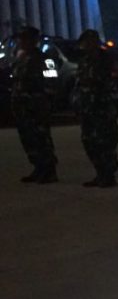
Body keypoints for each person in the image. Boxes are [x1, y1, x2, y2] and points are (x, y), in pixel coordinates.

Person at [75, 29, 118, 187]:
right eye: (85, 42)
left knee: (105, 141)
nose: (87, 45)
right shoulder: (84, 60)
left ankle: (108, 174)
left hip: (102, 106)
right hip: (88, 107)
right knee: (89, 141)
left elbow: (113, 80)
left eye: (90, 41)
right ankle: (100, 172)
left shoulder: (106, 58)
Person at [11, 26, 57, 183]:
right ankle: (38, 168)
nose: (22, 42)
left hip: (36, 104)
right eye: (21, 39)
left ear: (34, 40)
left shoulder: (43, 58)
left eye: (26, 38)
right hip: (22, 104)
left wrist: (44, 99)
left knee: (41, 137)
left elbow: (51, 80)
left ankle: (49, 170)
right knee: (28, 137)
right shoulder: (20, 58)